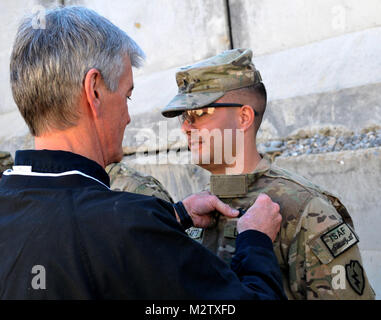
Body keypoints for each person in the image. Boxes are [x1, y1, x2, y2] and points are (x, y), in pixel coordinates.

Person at [0, 6, 286, 300]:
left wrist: (171, 217)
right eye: (127, 95)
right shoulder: (127, 227)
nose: (127, 117)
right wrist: (255, 240)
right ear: (94, 90)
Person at [161, 48, 376, 300]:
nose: (186, 127)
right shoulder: (192, 210)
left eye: (199, 113)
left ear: (243, 118)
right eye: (184, 116)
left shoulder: (305, 208)